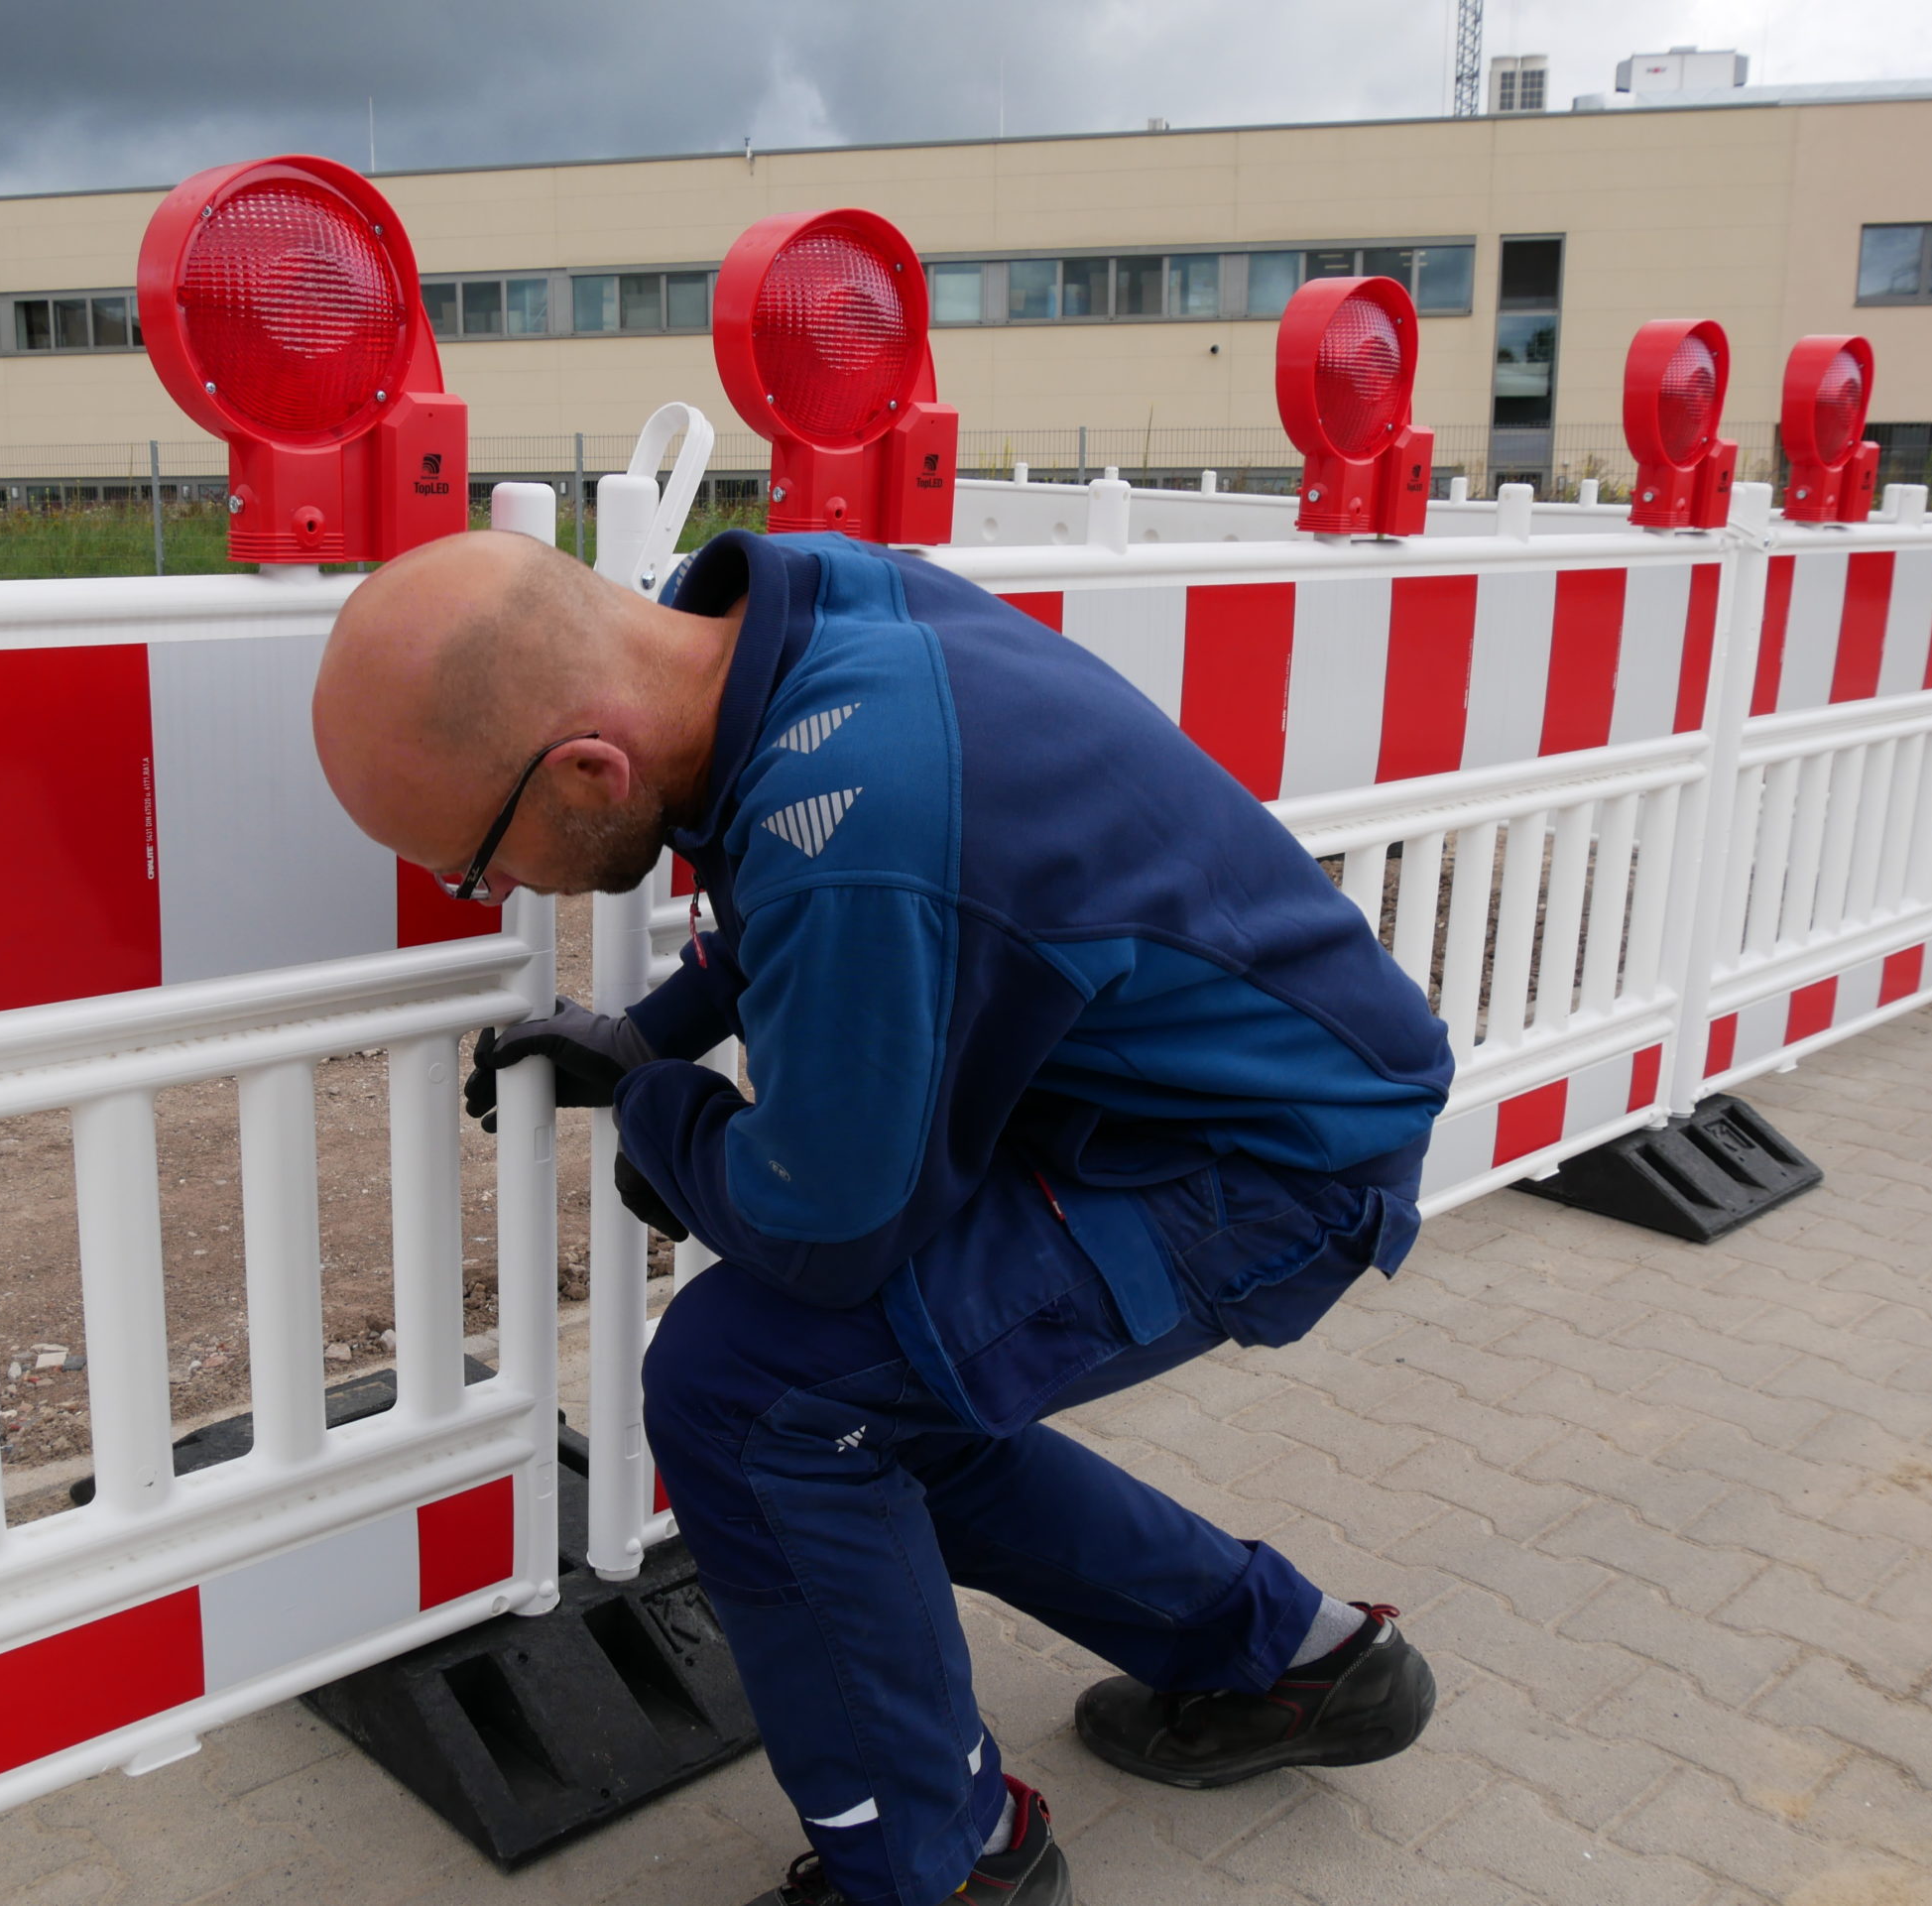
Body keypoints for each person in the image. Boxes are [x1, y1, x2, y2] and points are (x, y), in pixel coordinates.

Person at [313, 528, 1454, 1906]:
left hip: (1262, 1160)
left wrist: (667, 1118)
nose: (498, 897)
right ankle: (1294, 1660)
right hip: (1169, 1091)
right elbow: (794, 891)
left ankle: (934, 1868)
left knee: (752, 1390)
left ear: (588, 770)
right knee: (862, 1400)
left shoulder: (860, 808)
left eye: (476, 864)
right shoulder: (781, 627)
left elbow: (829, 1222)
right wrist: (654, 1026)